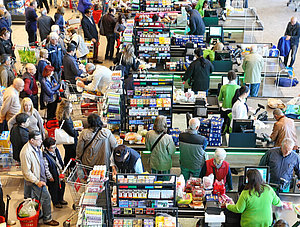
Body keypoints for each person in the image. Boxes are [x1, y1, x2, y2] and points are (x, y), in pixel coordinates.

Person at [20, 131, 59, 226]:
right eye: (39, 139)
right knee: (46, 198)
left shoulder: (37, 146)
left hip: (39, 178)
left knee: (33, 198)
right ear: (32, 140)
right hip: (35, 180)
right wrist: (37, 182)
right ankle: (48, 219)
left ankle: (38, 214)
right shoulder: (26, 152)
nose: (41, 141)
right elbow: (27, 172)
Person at [43, 137, 67, 208]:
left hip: (59, 173)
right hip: (53, 175)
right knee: (54, 189)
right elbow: (46, 168)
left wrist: (63, 168)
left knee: (62, 186)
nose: (54, 149)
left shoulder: (56, 150)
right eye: (52, 148)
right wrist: (49, 177)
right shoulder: (45, 156)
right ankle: (56, 202)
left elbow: (60, 159)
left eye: (55, 147)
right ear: (47, 148)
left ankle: (61, 199)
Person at [56, 98, 78, 166]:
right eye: (70, 107)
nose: (71, 109)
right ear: (66, 109)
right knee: (71, 155)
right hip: (70, 142)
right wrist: (77, 131)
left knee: (68, 154)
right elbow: (72, 133)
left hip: (66, 141)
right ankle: (68, 167)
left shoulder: (63, 117)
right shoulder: (66, 120)